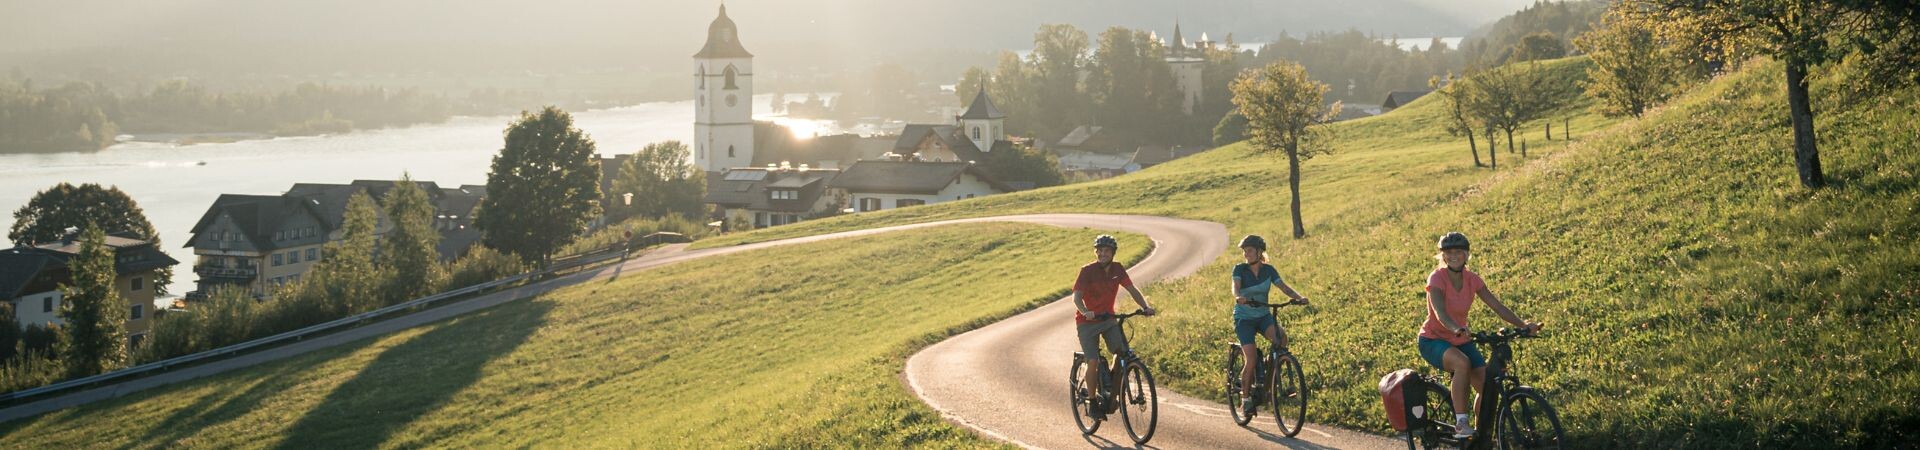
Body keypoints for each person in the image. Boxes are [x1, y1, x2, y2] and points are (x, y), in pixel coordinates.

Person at [1419, 232, 1542, 438]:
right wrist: (1455, 327)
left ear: (1466, 254)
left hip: (1460, 339)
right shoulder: (1437, 278)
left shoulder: (1472, 279)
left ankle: (1479, 434)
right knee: (1462, 363)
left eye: (1458, 252)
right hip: (1433, 339)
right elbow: (1440, 313)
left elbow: (1497, 306)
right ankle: (1461, 423)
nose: (1453, 256)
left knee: (1488, 388)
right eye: (1448, 252)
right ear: (1443, 256)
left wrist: (1523, 325)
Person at [1074, 234, 1156, 417]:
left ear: (1113, 253)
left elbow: (1132, 289)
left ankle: (1110, 381)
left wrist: (1145, 307)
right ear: (1096, 252)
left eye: (1107, 251)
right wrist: (1085, 310)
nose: (1103, 254)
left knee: (1122, 352)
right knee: (1093, 360)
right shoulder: (1087, 271)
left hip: (1108, 320)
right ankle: (1093, 401)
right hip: (1087, 323)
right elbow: (1077, 297)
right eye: (1100, 250)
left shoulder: (1118, 269)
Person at [1229, 234, 1308, 414]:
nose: (1245, 254)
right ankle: (1246, 399)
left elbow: (1284, 288)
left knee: (1282, 339)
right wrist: (1238, 296)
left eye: (1249, 250)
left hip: (1263, 315)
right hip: (1244, 319)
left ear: (1259, 252)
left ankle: (1271, 375)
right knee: (1251, 359)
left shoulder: (1269, 270)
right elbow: (1235, 286)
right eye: (1244, 251)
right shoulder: (1240, 269)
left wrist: (1299, 298)